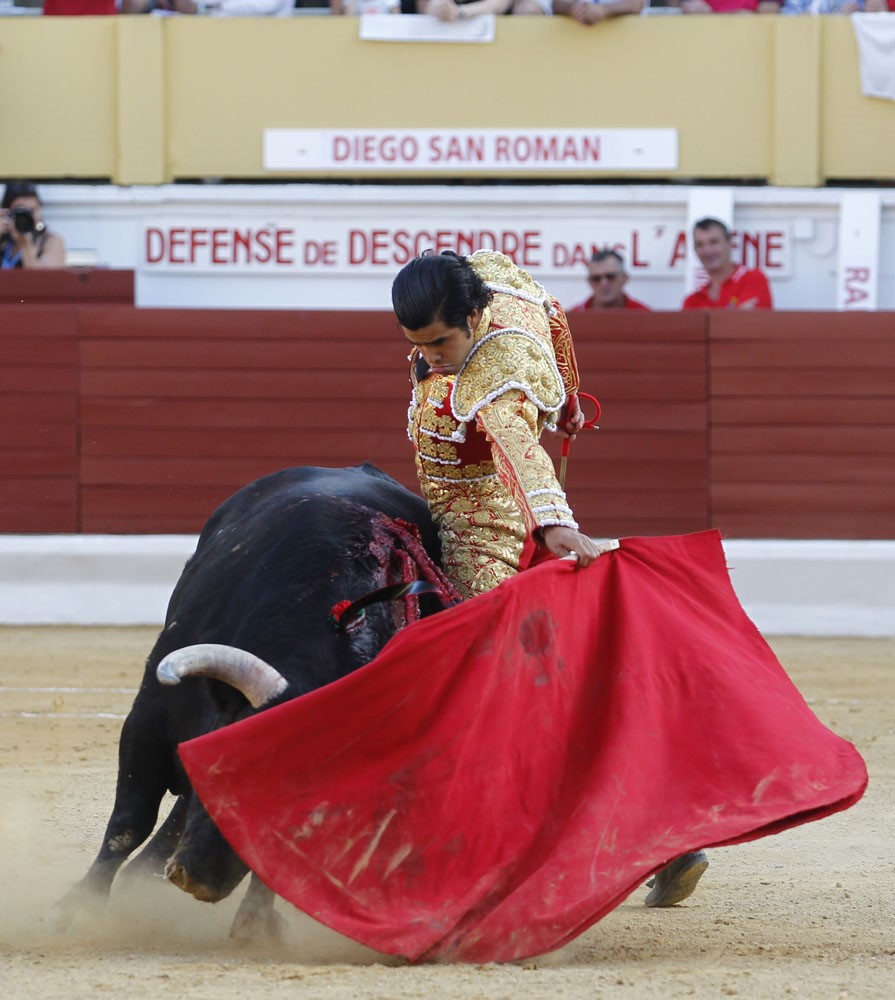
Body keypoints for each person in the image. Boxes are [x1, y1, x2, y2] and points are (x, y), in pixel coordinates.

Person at [393, 249, 708, 905]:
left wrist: (550, 523)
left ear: (473, 316)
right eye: (418, 346)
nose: (433, 359)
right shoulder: (494, 284)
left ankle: (481, 848)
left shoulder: (497, 374)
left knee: (480, 686)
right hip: (509, 512)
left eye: (442, 343)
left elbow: (513, 445)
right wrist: (564, 392)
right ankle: (666, 837)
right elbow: (553, 311)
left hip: (481, 528)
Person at [682, 216, 773, 311]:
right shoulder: (692, 302)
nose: (707, 250)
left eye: (713, 242)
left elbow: (755, 323)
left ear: (729, 243)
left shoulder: (753, 279)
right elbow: (741, 323)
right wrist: (737, 313)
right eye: (700, 244)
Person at [0, 181, 66, 271]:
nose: (27, 217)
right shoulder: (4, 242)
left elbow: (45, 281)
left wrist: (26, 244)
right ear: (8, 212)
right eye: (20, 211)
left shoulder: (50, 241)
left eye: (32, 210)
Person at [572, 249, 651, 312]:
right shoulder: (569, 321)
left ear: (625, 278)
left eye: (610, 277)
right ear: (589, 282)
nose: (604, 283)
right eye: (596, 279)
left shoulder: (645, 317)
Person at [552, 0, 645, 24]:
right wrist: (572, 9)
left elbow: (635, 5)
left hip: (625, 48)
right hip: (579, 45)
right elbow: (557, 4)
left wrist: (603, 11)